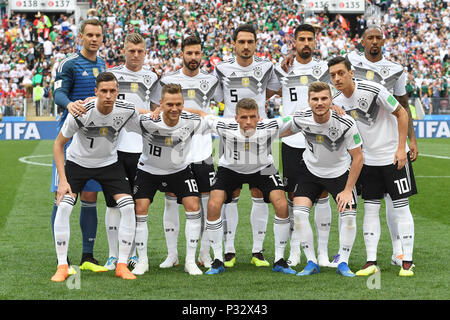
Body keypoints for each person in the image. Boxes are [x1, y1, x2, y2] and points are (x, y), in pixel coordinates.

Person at [329, 56, 416, 277]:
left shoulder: (373, 89)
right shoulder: (337, 101)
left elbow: (402, 113)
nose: (337, 78)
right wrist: (334, 111)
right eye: (333, 75)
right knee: (370, 209)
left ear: (351, 73)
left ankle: (407, 261)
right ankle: (371, 261)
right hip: (367, 161)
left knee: (401, 207)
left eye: (341, 73)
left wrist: (400, 148)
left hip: (392, 157)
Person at [191, 98, 295, 275]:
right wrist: (162, 108)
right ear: (236, 118)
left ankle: (279, 259)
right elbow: (202, 114)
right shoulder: (224, 125)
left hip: (262, 167)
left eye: (252, 117)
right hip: (230, 168)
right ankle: (217, 260)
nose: (248, 122)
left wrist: (333, 106)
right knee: (214, 204)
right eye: (244, 117)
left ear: (259, 117)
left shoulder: (269, 125)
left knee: (282, 204)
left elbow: (295, 117)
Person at [51, 72, 139, 282]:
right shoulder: (82, 112)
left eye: (112, 91)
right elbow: (58, 144)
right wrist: (62, 181)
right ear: (96, 92)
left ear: (118, 92)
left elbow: (139, 117)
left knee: (127, 206)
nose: (108, 95)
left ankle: (122, 264)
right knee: (63, 206)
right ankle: (62, 265)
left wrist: (156, 113)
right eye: (104, 91)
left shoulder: (126, 110)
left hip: (108, 164)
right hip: (77, 163)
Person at [346, 25, 419, 267]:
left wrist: (412, 140)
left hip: (391, 146)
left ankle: (399, 252)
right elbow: (329, 78)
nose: (374, 42)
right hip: (363, 149)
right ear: (363, 41)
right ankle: (368, 258)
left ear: (383, 41)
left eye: (378, 38)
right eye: (370, 38)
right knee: (371, 204)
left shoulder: (396, 70)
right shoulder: (351, 62)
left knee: (396, 202)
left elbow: (403, 106)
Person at [213, 24, 280, 268]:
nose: (246, 46)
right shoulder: (220, 68)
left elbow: (273, 89)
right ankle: (228, 250)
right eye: (241, 41)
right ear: (234, 44)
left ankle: (257, 251)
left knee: (259, 192)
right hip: (231, 136)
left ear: (255, 43)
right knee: (230, 194)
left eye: (250, 41)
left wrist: (257, 108)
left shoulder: (266, 66)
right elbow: (217, 96)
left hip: (260, 136)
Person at [151, 35, 219, 270]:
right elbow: (157, 109)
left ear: (202, 54)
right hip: (175, 152)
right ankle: (172, 254)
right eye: (189, 53)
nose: (193, 57)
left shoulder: (212, 81)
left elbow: (224, 105)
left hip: (202, 151)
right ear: (182, 54)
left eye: (197, 53)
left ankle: (203, 253)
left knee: (206, 204)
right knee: (171, 202)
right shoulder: (169, 80)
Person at [283, 81, 363, 277]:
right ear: (309, 101)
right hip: (310, 172)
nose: (320, 103)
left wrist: (347, 190)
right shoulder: (301, 117)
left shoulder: (346, 122)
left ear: (330, 100)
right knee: (300, 214)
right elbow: (283, 129)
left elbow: (358, 157)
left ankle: (343, 262)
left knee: (350, 217)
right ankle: (311, 261)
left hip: (339, 174)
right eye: (315, 99)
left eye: (324, 98)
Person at [128, 83, 206, 276]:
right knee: (140, 208)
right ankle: (142, 261)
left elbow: (207, 116)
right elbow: (125, 109)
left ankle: (190, 261)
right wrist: (149, 111)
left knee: (193, 205)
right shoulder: (147, 121)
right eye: (169, 104)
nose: (174, 109)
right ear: (161, 103)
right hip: (149, 170)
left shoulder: (191, 120)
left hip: (179, 170)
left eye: (178, 104)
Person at [274, 23, 333, 268]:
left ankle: (322, 254)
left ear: (315, 42)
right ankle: (296, 251)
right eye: (302, 39)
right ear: (294, 42)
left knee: (322, 194)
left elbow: (335, 94)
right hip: (291, 139)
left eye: (310, 39)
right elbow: (266, 91)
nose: (306, 43)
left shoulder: (323, 68)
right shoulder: (282, 67)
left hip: (318, 138)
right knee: (292, 197)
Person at [51, 18, 107, 273]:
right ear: (81, 37)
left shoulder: (102, 64)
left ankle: (88, 256)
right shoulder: (69, 63)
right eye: (90, 35)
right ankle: (62, 259)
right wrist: (69, 103)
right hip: (71, 136)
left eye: (98, 35)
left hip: (94, 140)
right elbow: (58, 93)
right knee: (63, 195)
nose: (94, 39)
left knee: (90, 195)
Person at [103, 33, 159, 273]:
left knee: (137, 205)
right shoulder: (113, 75)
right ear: (123, 50)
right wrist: (139, 111)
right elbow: (108, 104)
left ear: (145, 52)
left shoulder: (152, 77)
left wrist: (148, 114)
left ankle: (133, 254)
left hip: (142, 150)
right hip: (114, 150)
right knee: (113, 205)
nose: (136, 55)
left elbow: (157, 109)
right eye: (131, 50)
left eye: (140, 51)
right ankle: (112, 255)